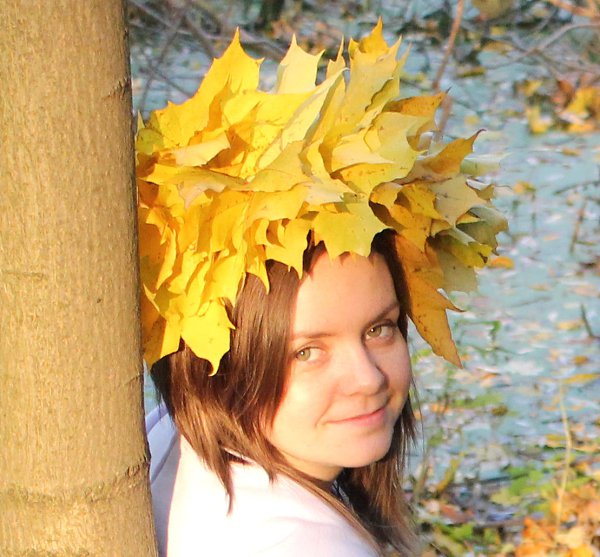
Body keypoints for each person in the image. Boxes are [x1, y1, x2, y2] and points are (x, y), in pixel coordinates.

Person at [137, 22, 506, 557]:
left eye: (379, 329)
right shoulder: (308, 544)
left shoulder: (173, 441)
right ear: (215, 368)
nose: (367, 378)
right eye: (307, 351)